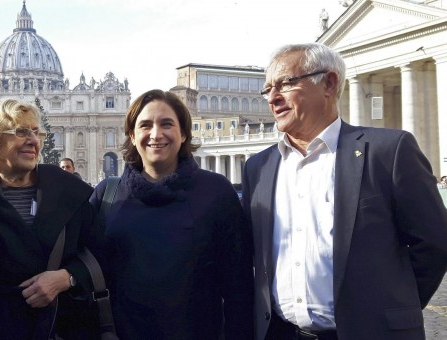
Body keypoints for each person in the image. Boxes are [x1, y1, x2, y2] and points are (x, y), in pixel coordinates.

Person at [242, 42, 447, 340]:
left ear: (329, 82)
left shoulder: (388, 151)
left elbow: (434, 243)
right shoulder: (258, 167)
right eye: (267, 89)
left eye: (286, 83)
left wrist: (390, 306)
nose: (272, 98)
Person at [90, 89, 254, 339]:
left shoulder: (217, 191)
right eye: (145, 125)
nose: (156, 134)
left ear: (184, 133)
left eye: (167, 124)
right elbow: (87, 266)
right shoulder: (107, 194)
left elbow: (238, 285)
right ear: (132, 136)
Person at [0, 98, 99, 339]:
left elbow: (101, 252)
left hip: (57, 326)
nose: (34, 141)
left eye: (36, 132)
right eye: (21, 132)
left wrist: (67, 277)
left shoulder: (69, 191)